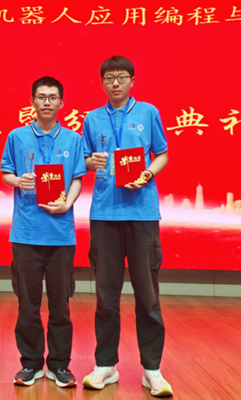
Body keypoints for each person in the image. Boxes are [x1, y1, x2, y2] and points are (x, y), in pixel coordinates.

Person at [81, 56, 173, 397]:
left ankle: (152, 370)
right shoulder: (92, 118)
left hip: (142, 215)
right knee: (106, 297)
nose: (115, 83)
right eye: (109, 78)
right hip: (104, 216)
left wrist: (147, 173)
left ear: (132, 80)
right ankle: (105, 365)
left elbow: (162, 154)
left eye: (121, 77)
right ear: (102, 82)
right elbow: (84, 160)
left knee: (147, 296)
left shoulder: (148, 112)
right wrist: (92, 161)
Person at [0, 76, 86, 389]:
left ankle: (59, 366)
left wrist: (68, 204)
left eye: (52, 97)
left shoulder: (74, 139)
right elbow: (6, 172)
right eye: (41, 97)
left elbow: (77, 179)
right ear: (32, 102)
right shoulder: (17, 136)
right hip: (25, 234)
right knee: (28, 305)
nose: (46, 102)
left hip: (61, 235)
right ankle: (31, 363)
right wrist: (17, 181)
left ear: (61, 103)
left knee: (61, 306)